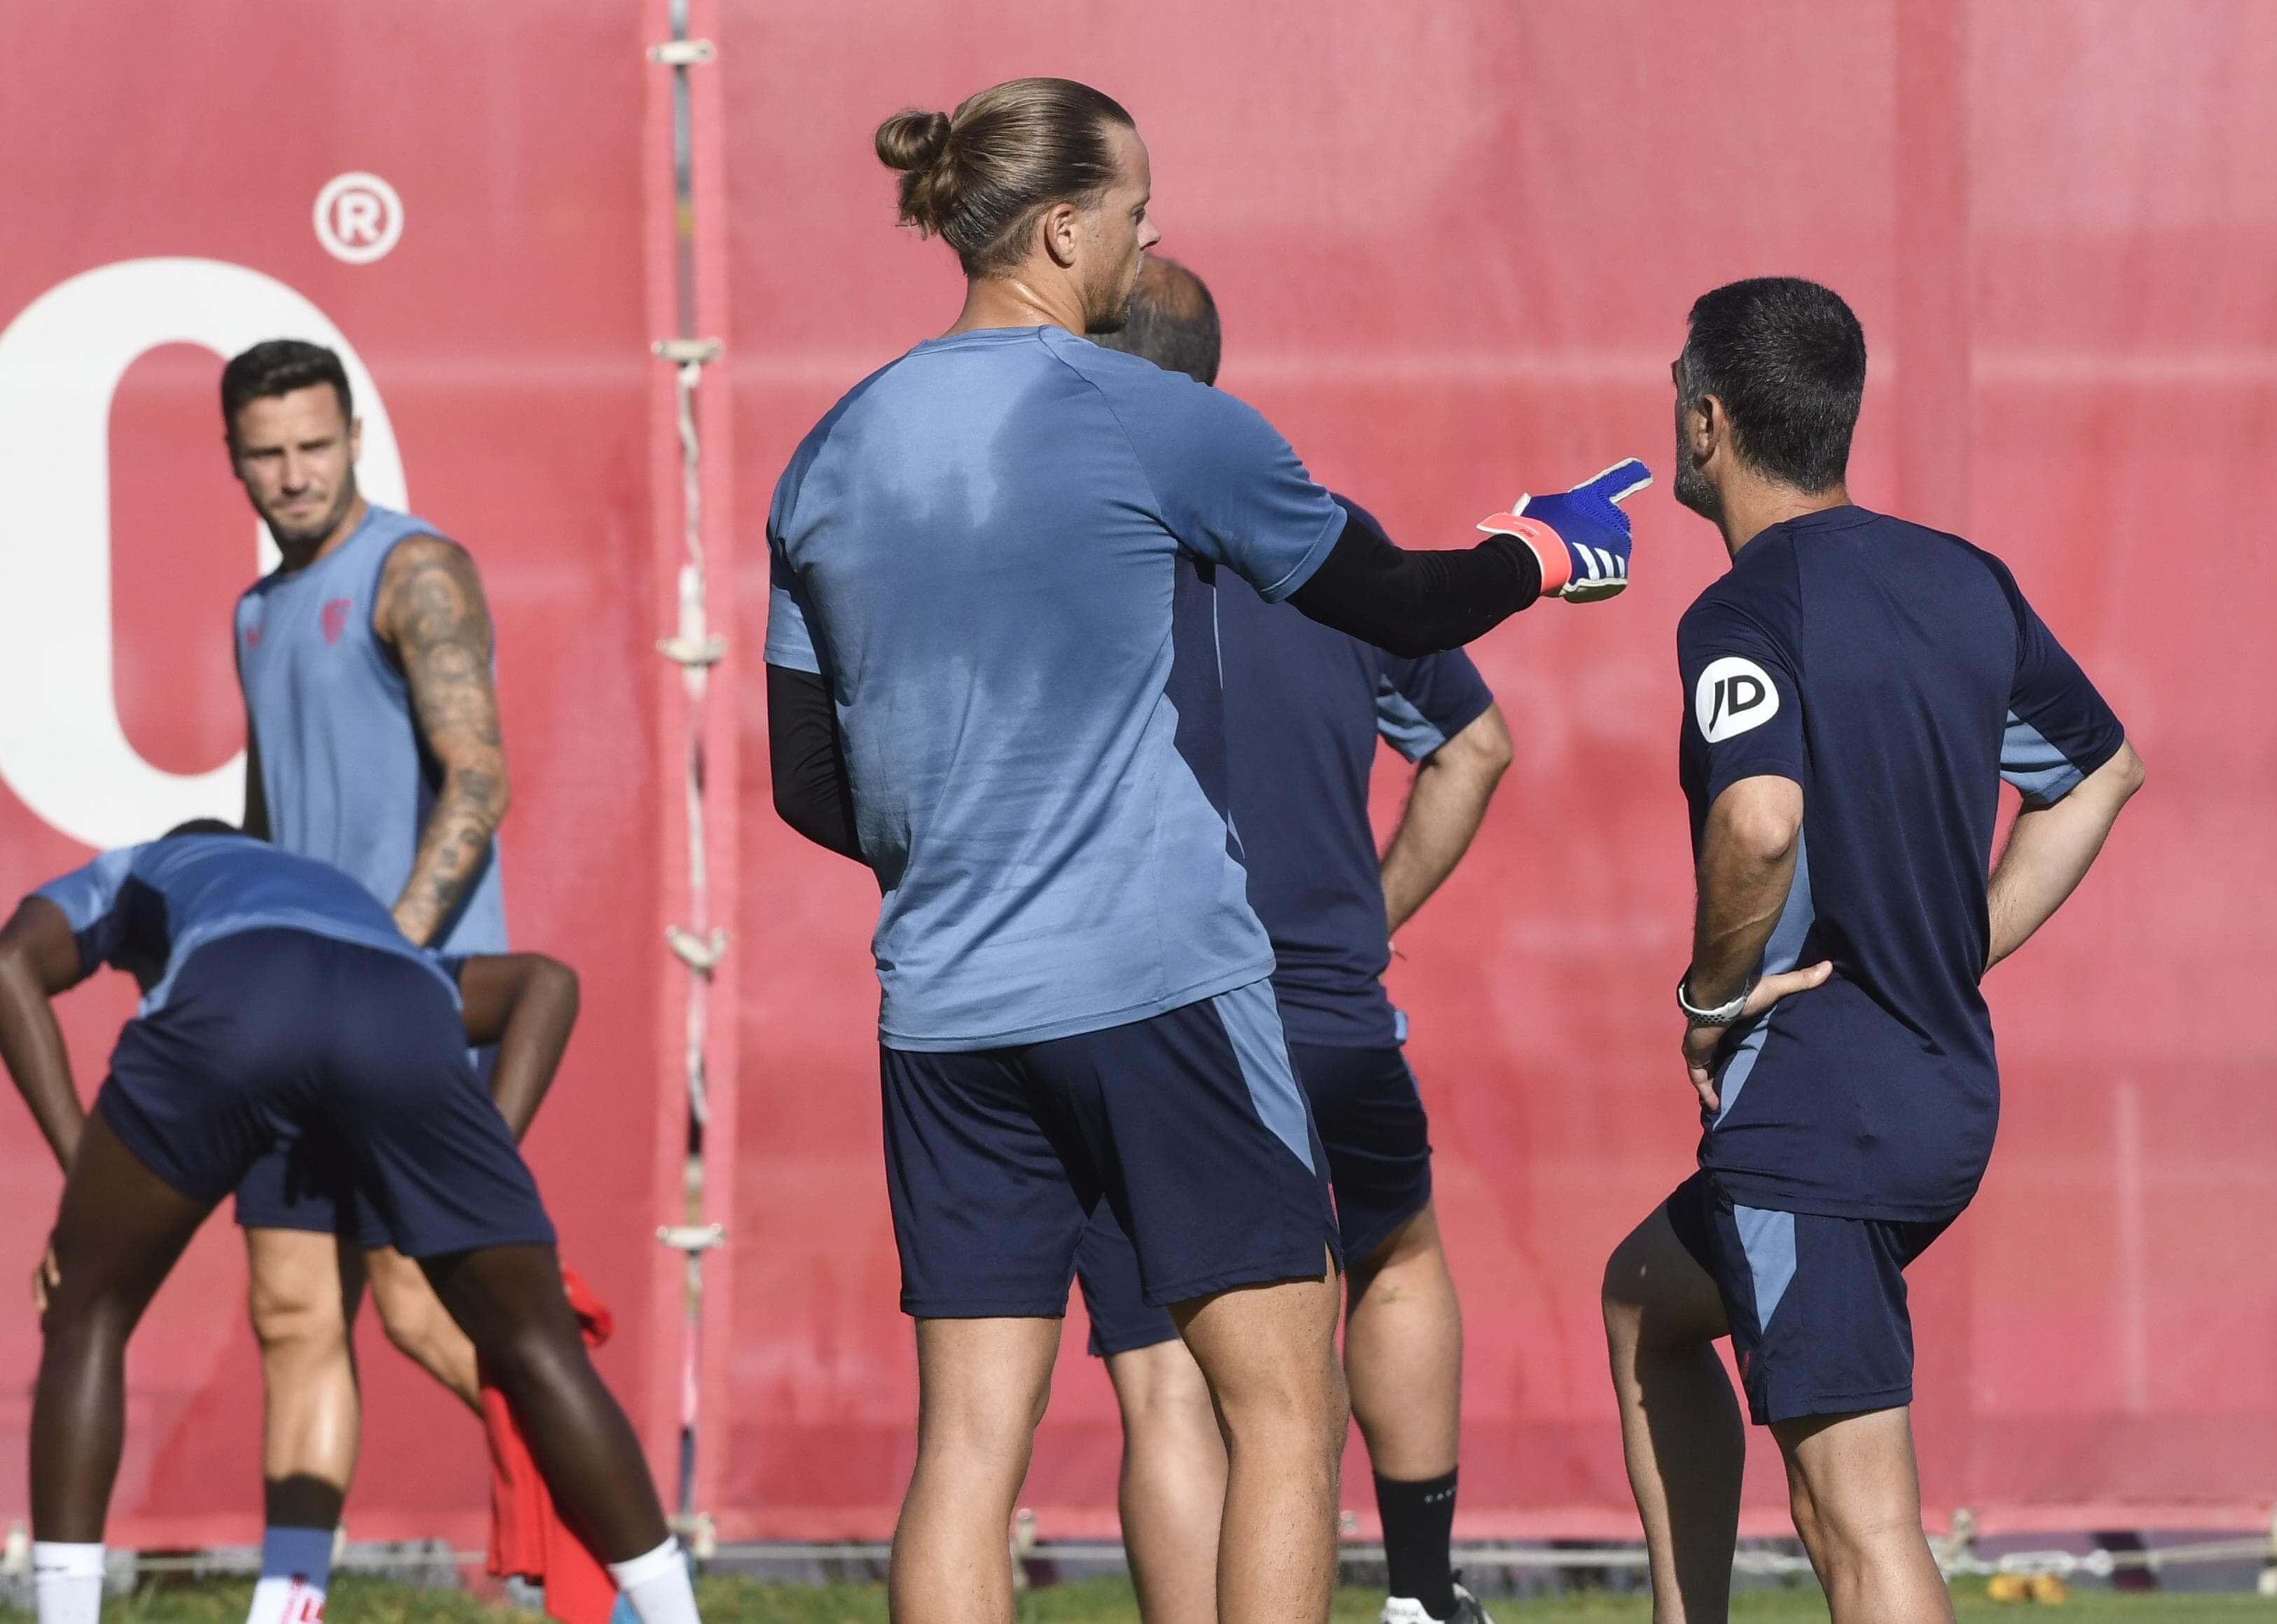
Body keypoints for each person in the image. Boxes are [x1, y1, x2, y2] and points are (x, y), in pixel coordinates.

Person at [764, 77, 1646, 1624]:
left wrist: (961, 848)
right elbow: (1408, 609)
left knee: (967, 1444)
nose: (1148, 235)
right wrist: (1543, 545)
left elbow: (802, 782)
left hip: (944, 1009)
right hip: (1158, 986)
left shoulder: (830, 448)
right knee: (1281, 1410)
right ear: (1059, 227)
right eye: (1135, 209)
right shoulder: (1148, 413)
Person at [1599, 278, 2143, 1623]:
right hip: (1936, 1092)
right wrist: (1957, 947)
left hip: (1818, 1116)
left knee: (1860, 1525)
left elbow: (1761, 815)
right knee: (1646, 1301)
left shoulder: (1741, 611)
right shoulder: (1960, 579)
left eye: (1680, 388)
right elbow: (2101, 775)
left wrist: (1710, 997)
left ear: (1710, 420)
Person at [1073, 259, 1509, 1624]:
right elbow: (1476, 746)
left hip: (1140, 1009)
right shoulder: (1317, 532)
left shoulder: (1072, 540)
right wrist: (1363, 918)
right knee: (1392, 1256)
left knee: (1167, 1372)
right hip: (1324, 1006)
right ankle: (1423, 1599)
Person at [0, 826, 701, 1624]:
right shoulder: (350, 914)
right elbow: (548, 981)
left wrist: (84, 1177)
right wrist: (468, 1175)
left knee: (87, 1309)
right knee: (539, 1347)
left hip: (238, 997)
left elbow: (9, 961)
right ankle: (672, 1611)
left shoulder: (140, 867)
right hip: (395, 1012)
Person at [223, 337, 513, 1618]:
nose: (292, 473)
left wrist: (390, 946)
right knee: (292, 1310)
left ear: (353, 437)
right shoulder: (255, 608)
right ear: (235, 457)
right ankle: (289, 1599)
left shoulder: (416, 570)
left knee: (417, 1305)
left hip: (408, 1004)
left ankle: (617, 1551)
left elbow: (482, 775)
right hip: (284, 1020)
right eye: (266, 451)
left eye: (313, 444)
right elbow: (264, 810)